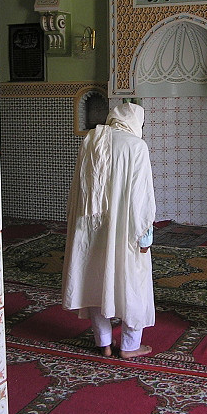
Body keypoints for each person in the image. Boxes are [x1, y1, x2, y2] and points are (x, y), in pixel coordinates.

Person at [62, 102, 156, 358]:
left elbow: (77, 189)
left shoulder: (92, 140)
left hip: (90, 228)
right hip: (124, 230)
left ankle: (103, 342)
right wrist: (145, 236)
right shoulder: (136, 146)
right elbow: (142, 198)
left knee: (94, 278)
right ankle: (129, 345)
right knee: (132, 282)